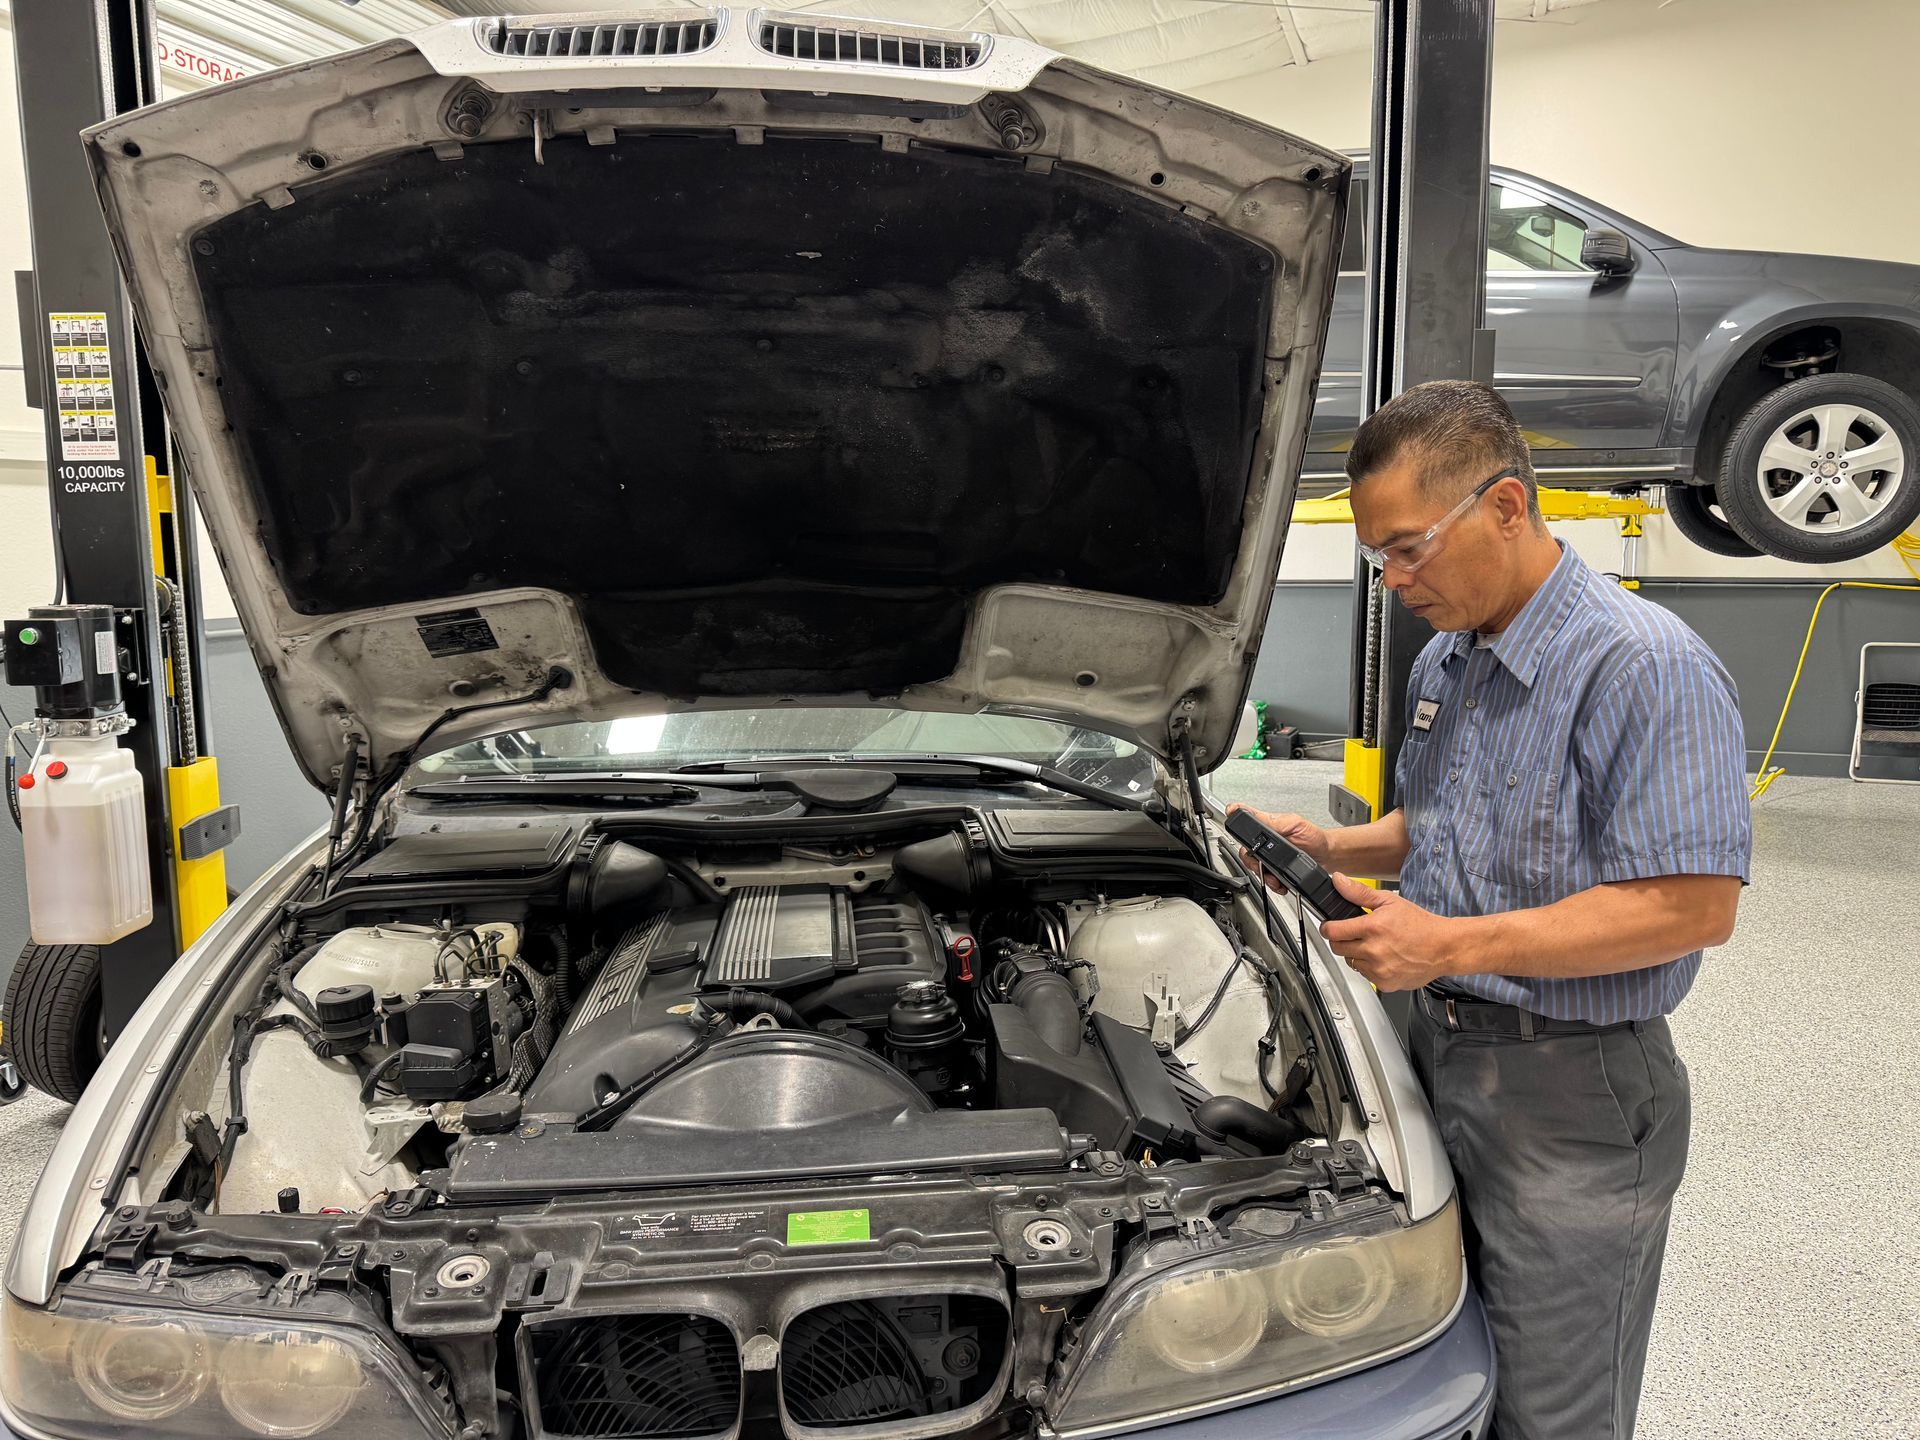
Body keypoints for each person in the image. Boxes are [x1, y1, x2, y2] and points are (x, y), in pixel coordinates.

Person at [1234, 380, 1751, 1440]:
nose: (1394, 579)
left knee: (1548, 1410)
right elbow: (1450, 821)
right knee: (1433, 1357)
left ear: (1508, 508)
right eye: (1379, 555)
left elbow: (1690, 908)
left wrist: (1449, 944)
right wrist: (1337, 847)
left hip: (1573, 1091)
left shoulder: (1643, 668)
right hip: (1437, 1050)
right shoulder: (1452, 656)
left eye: (1411, 547)